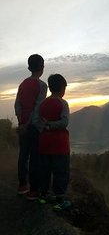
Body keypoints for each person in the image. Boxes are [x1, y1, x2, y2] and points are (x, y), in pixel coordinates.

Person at [36, 74, 71, 211]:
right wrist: (51, 125)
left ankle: (43, 196)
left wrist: (46, 126)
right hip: (60, 146)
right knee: (61, 172)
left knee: (45, 170)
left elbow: (38, 122)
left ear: (50, 87)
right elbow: (64, 122)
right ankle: (60, 201)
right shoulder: (63, 103)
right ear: (62, 88)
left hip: (44, 144)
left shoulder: (42, 104)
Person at [14, 54, 47, 199]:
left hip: (23, 126)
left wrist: (21, 122)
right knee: (35, 157)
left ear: (29, 68)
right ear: (42, 68)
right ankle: (34, 190)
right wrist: (27, 124)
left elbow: (17, 105)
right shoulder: (42, 85)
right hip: (33, 127)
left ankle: (22, 185)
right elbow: (37, 107)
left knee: (23, 155)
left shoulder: (22, 84)